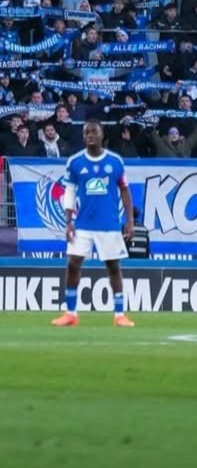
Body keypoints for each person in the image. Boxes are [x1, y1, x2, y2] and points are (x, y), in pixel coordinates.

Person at [51, 121, 136, 328]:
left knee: (113, 266)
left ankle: (119, 314)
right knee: (73, 263)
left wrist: (130, 220)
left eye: (94, 132)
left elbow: (125, 190)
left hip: (109, 224)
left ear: (101, 135)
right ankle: (70, 313)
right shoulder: (75, 162)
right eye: (86, 132)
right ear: (83, 137)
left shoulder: (115, 161)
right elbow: (69, 191)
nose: (90, 135)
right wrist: (68, 222)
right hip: (82, 225)